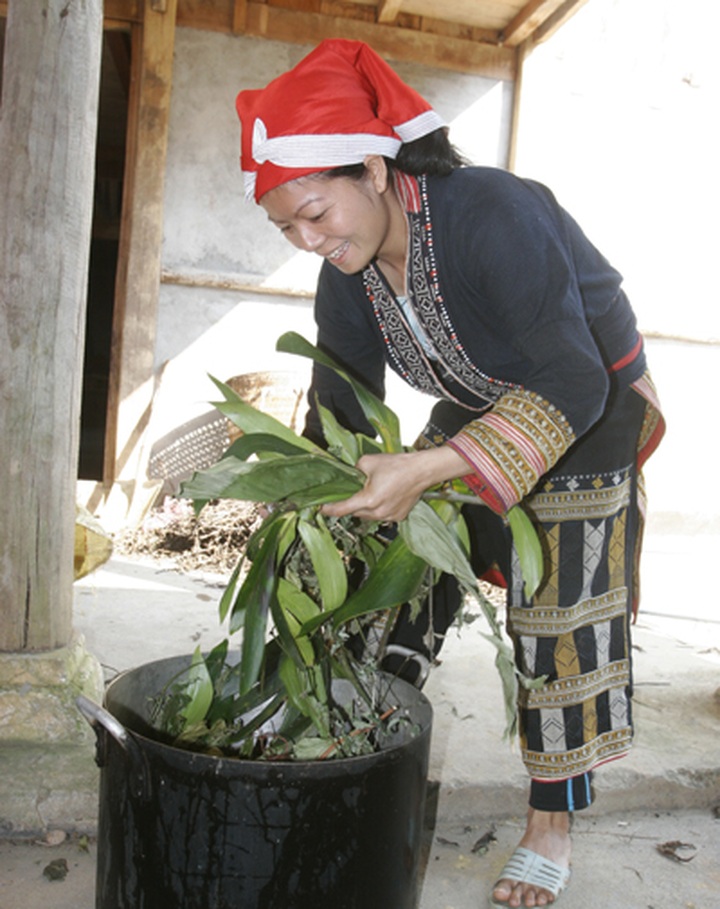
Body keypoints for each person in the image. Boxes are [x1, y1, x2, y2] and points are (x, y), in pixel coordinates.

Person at [235, 39, 664, 909]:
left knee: (557, 618)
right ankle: (348, 752)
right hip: (479, 404)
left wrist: (431, 466)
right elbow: (341, 404)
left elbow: (574, 379)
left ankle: (549, 824)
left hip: (591, 407)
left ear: (373, 169)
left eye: (315, 212)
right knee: (374, 564)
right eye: (287, 229)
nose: (310, 240)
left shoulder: (492, 212)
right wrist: (311, 501)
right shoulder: (347, 270)